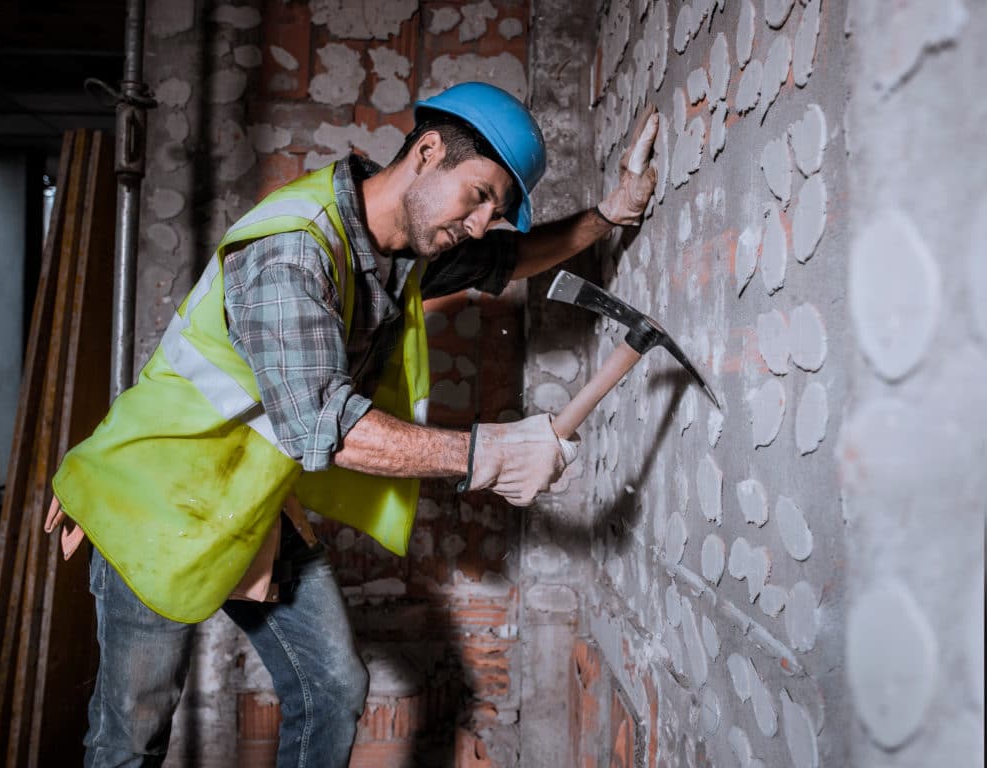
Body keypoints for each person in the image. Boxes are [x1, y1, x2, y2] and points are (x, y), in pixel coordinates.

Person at [45, 81, 659, 767]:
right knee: (133, 738)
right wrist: (492, 453)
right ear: (428, 152)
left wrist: (610, 214)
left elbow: (506, 260)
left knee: (331, 685)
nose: (484, 222)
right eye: (480, 195)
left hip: (241, 499)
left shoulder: (399, 247)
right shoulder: (295, 250)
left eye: (497, 209)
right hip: (152, 499)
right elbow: (322, 427)